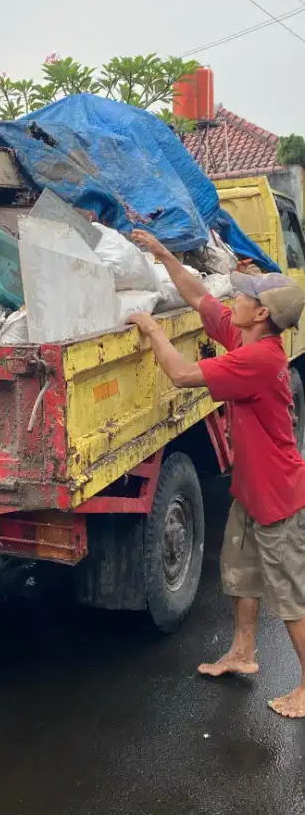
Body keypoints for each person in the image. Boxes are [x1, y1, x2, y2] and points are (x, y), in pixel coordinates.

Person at [128, 229, 305, 719]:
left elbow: (183, 375)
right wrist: (163, 255)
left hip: (278, 498)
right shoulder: (242, 334)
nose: (236, 297)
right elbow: (199, 296)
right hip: (252, 491)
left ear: (262, 313)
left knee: (290, 592)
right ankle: (243, 653)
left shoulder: (257, 359)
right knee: (242, 573)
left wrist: (152, 330)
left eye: (245, 296)